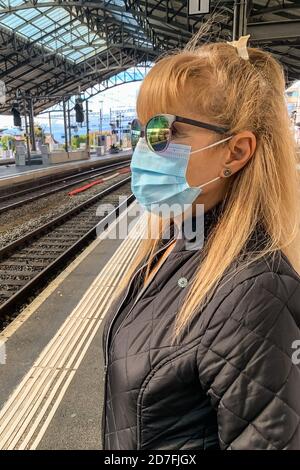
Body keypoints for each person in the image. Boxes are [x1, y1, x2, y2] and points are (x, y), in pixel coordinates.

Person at [101, 32, 300, 450]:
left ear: (236, 152)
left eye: (164, 130)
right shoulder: (176, 237)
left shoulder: (254, 292)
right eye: (142, 131)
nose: (145, 149)